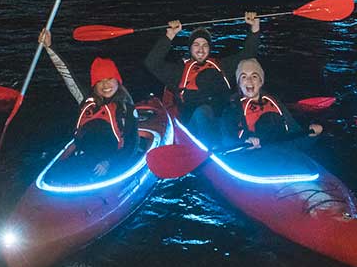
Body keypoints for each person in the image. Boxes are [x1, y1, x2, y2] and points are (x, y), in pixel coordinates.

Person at [145, 12, 260, 144]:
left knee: (232, 111)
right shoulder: (179, 71)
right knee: (203, 112)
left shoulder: (222, 66)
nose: (201, 49)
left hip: (222, 121)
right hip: (195, 125)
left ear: (209, 49)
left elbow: (248, 53)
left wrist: (254, 28)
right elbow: (151, 63)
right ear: (190, 48)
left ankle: (237, 146)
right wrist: (169, 36)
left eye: (205, 45)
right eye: (196, 45)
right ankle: (213, 150)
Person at [39, 29, 139, 177]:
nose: (105, 85)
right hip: (86, 157)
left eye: (110, 79)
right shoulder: (86, 100)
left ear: (117, 81)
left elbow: (132, 144)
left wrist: (109, 162)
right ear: (94, 85)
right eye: (100, 81)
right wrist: (49, 47)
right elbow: (67, 75)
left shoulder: (127, 107)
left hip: (114, 161)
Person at [220, 58, 322, 149]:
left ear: (261, 82)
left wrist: (311, 134)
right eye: (244, 77)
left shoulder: (274, 103)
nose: (249, 80)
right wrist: (245, 141)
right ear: (239, 83)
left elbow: (294, 135)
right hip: (250, 157)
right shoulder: (232, 107)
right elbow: (227, 140)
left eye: (254, 76)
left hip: (279, 153)